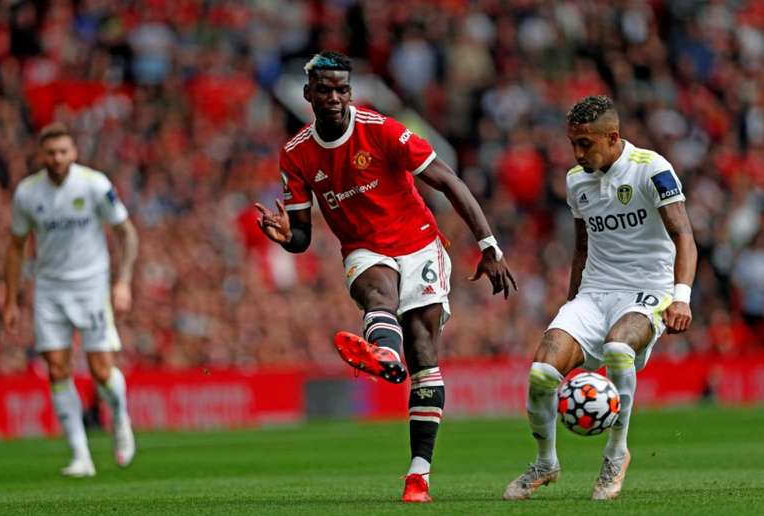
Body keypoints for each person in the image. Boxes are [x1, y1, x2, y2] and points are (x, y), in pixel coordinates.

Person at [255, 51, 518, 503]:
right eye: (325, 90)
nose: (335, 97)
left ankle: (419, 475)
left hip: (420, 244)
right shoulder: (296, 155)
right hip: (362, 248)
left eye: (342, 89)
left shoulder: (382, 129)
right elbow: (301, 235)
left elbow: (449, 180)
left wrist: (489, 244)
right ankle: (383, 353)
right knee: (377, 291)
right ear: (307, 95)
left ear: (351, 92)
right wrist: (285, 237)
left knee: (423, 353)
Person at [503, 95, 697, 501]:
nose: (577, 153)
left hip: (648, 292)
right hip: (594, 292)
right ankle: (546, 462)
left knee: (617, 347)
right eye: (572, 143)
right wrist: (570, 306)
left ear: (612, 137)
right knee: (541, 371)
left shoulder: (652, 169)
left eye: (585, 144)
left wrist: (681, 298)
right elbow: (581, 248)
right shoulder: (577, 180)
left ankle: (615, 453)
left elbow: (684, 237)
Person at [3, 122, 139, 477]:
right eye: (51, 153)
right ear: (41, 155)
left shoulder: (94, 185)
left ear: (73, 153)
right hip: (49, 288)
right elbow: (16, 247)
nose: (57, 158)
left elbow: (127, 232)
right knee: (58, 368)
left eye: (63, 151)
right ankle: (81, 455)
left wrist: (123, 282)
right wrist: (12, 300)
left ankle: (120, 417)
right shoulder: (28, 193)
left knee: (100, 369)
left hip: (91, 285)